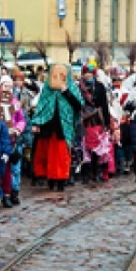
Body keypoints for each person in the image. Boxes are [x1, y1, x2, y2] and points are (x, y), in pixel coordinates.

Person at [31, 63, 83, 191]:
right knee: (47, 154)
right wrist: (37, 122)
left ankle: (61, 179)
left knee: (61, 154)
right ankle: (50, 178)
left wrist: (66, 92)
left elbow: (78, 105)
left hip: (63, 126)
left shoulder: (72, 88)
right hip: (48, 125)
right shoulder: (47, 89)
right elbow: (41, 106)